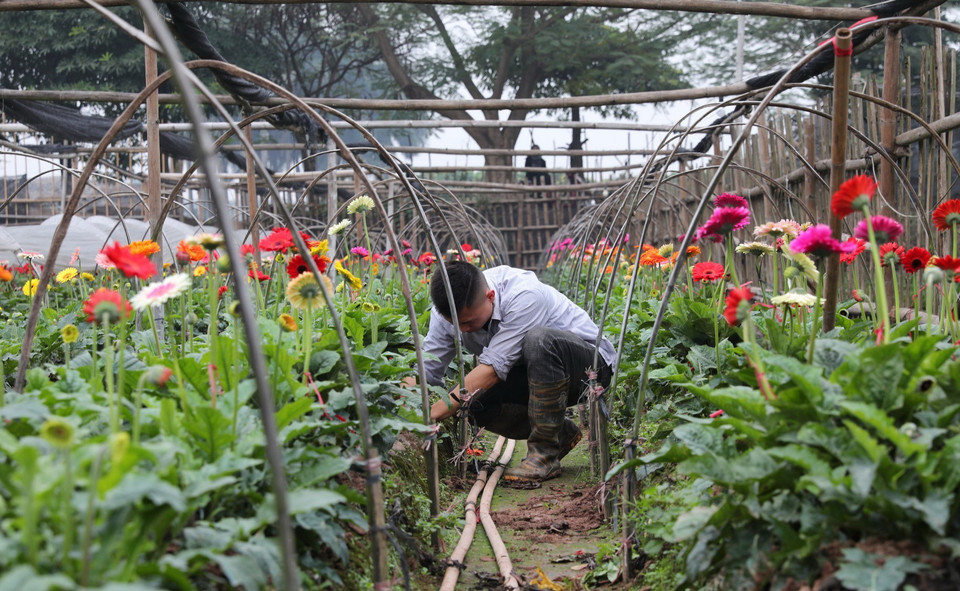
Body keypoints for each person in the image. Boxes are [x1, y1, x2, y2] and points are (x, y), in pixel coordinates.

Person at [418, 261, 616, 484]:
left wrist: (434, 411)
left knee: (539, 340)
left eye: (469, 322)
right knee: (474, 405)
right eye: (455, 323)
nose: (462, 330)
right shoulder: (445, 313)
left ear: (490, 296)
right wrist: (404, 404)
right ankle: (560, 434)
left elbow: (492, 370)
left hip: (588, 369)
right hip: (531, 373)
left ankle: (544, 455)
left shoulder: (524, 295)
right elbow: (426, 368)